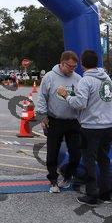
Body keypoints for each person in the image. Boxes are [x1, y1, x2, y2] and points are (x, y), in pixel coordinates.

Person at [57, 49, 112, 206]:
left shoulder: (86, 80)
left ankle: (92, 195)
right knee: (104, 159)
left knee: (89, 160)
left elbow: (80, 103)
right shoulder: (107, 79)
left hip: (91, 126)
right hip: (109, 125)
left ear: (82, 63)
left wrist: (66, 95)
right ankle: (105, 194)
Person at [36, 51, 82, 194]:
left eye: (74, 66)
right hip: (54, 120)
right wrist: (42, 116)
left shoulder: (78, 78)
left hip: (73, 121)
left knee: (76, 153)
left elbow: (81, 99)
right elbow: (42, 97)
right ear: (62, 63)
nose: (72, 69)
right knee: (52, 153)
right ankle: (53, 180)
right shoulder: (50, 77)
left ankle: (67, 174)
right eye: (70, 66)